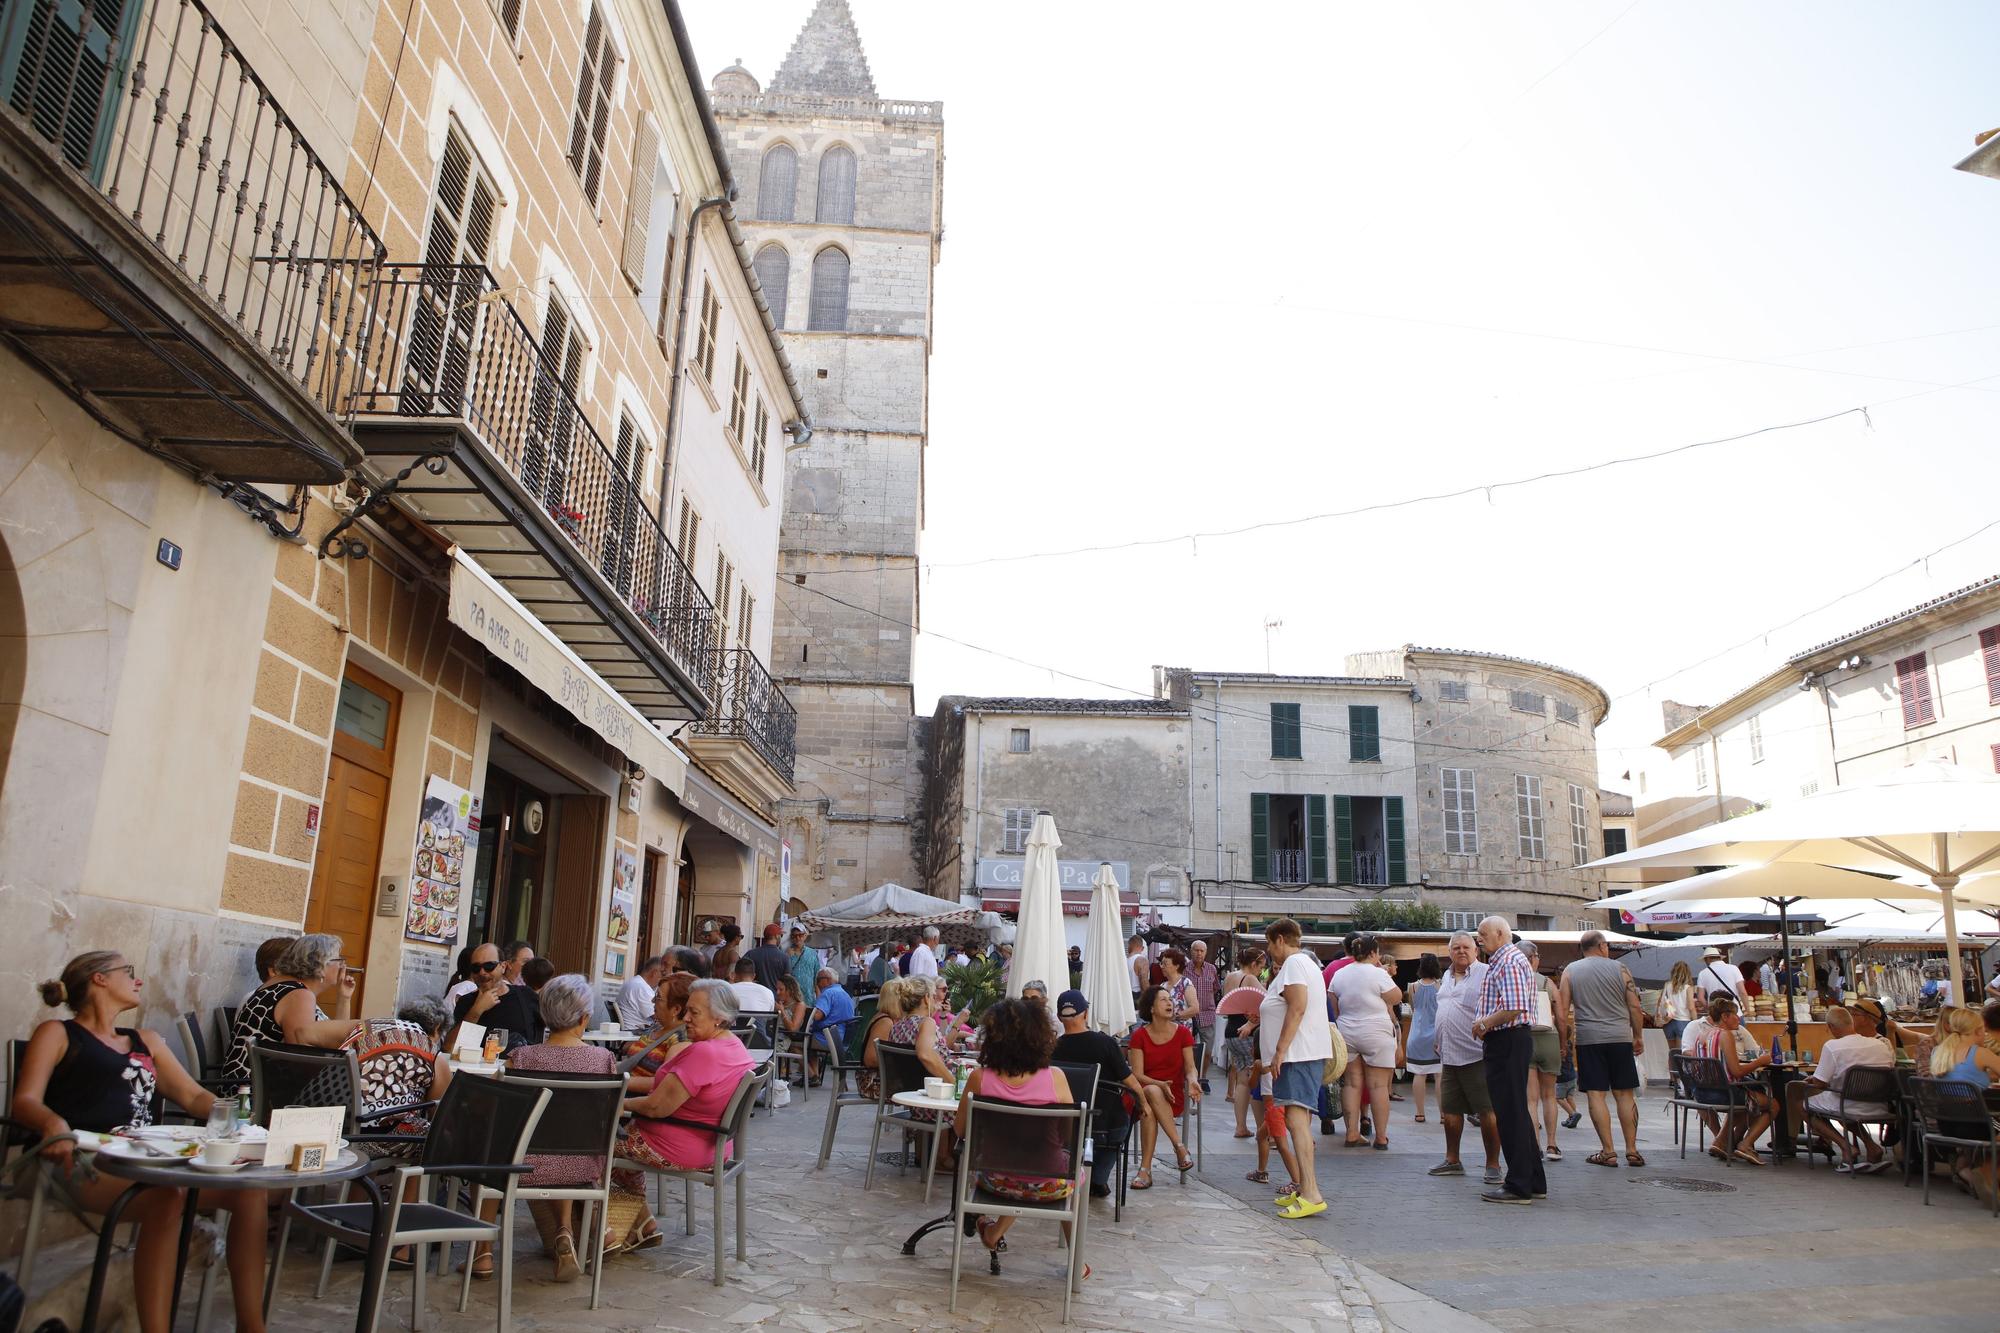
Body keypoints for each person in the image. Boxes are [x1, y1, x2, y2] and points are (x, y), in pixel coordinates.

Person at [14, 953, 273, 1333]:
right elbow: (25, 1101)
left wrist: (236, 1114)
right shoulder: (58, 1034)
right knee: (166, 1198)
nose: (137, 981)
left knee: (249, 1192)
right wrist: (52, 1123)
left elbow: (191, 1096)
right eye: (128, 973)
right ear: (99, 979)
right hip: (83, 1158)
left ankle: (252, 1326)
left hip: (148, 1158)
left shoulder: (145, 1041)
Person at [465, 974, 614, 1281]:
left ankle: (482, 1253)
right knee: (566, 1140)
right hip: (583, 1167)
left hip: (523, 1166)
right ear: (585, 1018)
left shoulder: (522, 1057)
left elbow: (490, 1104)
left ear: (545, 1015)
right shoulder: (603, 1060)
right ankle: (564, 1229)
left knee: (492, 1151)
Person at [609, 979, 755, 1252]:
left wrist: (621, 1106)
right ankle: (642, 1224)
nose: (686, 1018)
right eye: (686, 1010)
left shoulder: (704, 1053)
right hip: (712, 1145)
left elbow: (656, 1107)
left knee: (592, 1146)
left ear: (719, 1018)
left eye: (694, 1013)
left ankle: (598, 1231)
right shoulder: (734, 1047)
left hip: (677, 1146)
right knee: (612, 1142)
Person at [957, 997, 1081, 1259]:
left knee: (1016, 1162)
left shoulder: (979, 1078)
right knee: (1073, 1171)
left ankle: (993, 1231)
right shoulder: (1056, 1078)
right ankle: (1077, 1261)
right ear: (1041, 1036)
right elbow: (1069, 1136)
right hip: (1050, 1184)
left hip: (995, 1181)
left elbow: (960, 1131)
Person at [1258, 917, 1332, 1219]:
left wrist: (1279, 1050)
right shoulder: (1303, 964)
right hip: (1298, 1054)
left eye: (1269, 943)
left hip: (1299, 1054)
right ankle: (1304, 1189)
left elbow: (1297, 1006)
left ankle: (1311, 1192)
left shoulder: (1294, 964)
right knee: (1293, 1120)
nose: (1269, 951)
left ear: (1279, 939)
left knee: (1297, 1121)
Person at [1470, 917, 1544, 1203]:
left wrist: (1484, 1024)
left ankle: (1518, 1184)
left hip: (1508, 1038)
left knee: (1510, 1112)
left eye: (1483, 934)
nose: (1480, 939)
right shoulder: (1504, 959)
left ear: (1501, 933)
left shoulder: (1509, 960)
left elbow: (1514, 1006)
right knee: (1517, 1113)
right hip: (1509, 1039)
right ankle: (1533, 1180)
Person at [222, 932, 360, 1081]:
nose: (343, 966)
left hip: (253, 1086)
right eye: (339, 960)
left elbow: (331, 1039)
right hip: (254, 1095)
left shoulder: (283, 986)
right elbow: (303, 1059)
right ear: (320, 965)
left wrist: (344, 997)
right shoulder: (297, 995)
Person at [1561, 929, 1646, 1169]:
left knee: (1596, 1094)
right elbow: (1635, 1006)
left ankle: (1608, 1151)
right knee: (1624, 1094)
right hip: (1620, 1037)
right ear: (1602, 946)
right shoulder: (1621, 970)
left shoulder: (1570, 971)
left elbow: (1562, 1011)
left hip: (1589, 1040)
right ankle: (1632, 1149)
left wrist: (1563, 1042)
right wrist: (1637, 1036)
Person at [1783, 1006, 1894, 1174]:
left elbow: (1820, 1083)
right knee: (1840, 1103)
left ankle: (1846, 1147)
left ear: (1831, 1027)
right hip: (1878, 1105)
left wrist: (1815, 1080)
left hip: (1846, 1103)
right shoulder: (1880, 1045)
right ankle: (1872, 1147)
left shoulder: (1833, 1046)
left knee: (1802, 1104)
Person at [1052, 990, 1140, 1197]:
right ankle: (1098, 1177)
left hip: (1066, 1127)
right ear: (1086, 1013)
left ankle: (1076, 1173)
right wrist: (1142, 1104)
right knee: (1126, 1121)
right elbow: (1132, 1083)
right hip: (1107, 1126)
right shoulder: (1106, 1043)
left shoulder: (1052, 1048)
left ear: (1058, 1017)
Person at [1432, 932, 1502, 1185]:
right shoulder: (1447, 976)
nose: (1461, 951)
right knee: (1450, 1111)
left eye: (1466, 947)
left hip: (1477, 1054)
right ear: (1449, 951)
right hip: (1449, 1054)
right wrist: (1439, 1036)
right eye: (1456, 948)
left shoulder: (1486, 973)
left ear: (1476, 950)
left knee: (1487, 1111)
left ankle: (1493, 1164)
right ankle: (1452, 1160)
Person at [1329, 932, 1402, 1150]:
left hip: (1347, 1030)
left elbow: (1333, 1004)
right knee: (1378, 1085)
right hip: (1376, 1031)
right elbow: (1396, 997)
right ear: (1373, 953)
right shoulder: (1378, 973)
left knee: (1351, 1083)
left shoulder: (1340, 974)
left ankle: (1351, 1133)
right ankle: (1380, 1137)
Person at [1125, 983, 1198, 1188]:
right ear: (1151, 1008)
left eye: (1170, 999)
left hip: (1172, 1094)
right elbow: (1137, 1075)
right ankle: (1179, 1147)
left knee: (1150, 1102)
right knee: (1150, 1092)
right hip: (1142, 1091)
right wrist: (1158, 1084)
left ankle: (1145, 1171)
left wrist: (1192, 1081)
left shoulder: (1183, 1033)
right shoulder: (1139, 1035)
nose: (1170, 1003)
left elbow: (1190, 1067)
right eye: (1164, 1000)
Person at [1690, 995, 1774, 1164]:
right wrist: (1760, 1062)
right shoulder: (1725, 1035)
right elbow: (1736, 1071)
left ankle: (1723, 1142)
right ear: (1724, 1016)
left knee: (1751, 1099)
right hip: (1724, 1093)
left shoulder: (1701, 1035)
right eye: (1735, 1014)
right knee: (1773, 1105)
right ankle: (1745, 1144)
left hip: (1702, 1092)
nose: (1738, 1018)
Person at [1515, 939, 1569, 1162]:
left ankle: (1534, 1145)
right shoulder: (1547, 982)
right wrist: (1564, 1043)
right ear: (1533, 958)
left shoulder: (1515, 981)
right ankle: (1552, 1145)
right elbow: (1563, 1017)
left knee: (1530, 1099)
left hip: (1525, 1038)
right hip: (1549, 1038)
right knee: (1549, 1095)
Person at [452, 940, 543, 1048]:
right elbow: (451, 1047)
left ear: (503, 966)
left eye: (489, 966)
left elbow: (555, 1029)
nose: (482, 972)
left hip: (518, 1064)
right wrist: (477, 1010)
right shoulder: (467, 1002)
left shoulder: (526, 996)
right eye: (476, 968)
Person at [1223, 946, 1265, 1138]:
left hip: (1231, 1031)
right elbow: (1265, 1002)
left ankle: (1240, 1126)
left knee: (1242, 1080)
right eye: (1261, 966)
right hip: (1247, 1032)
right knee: (1254, 1080)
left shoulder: (1230, 977)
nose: (1261, 971)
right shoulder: (1249, 978)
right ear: (1254, 963)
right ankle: (1260, 1128)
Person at [856, 976, 912, 1102]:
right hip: (873, 1083)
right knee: (920, 1086)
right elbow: (870, 1059)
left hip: (877, 1080)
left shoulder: (885, 1018)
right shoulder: (885, 1022)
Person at [1403, 954, 1442, 1124]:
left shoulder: (1412, 987)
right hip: (1436, 1034)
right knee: (1440, 1075)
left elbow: (1413, 1007)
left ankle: (1419, 1113)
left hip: (1417, 1034)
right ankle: (1443, 1114)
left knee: (1419, 1074)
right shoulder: (1441, 986)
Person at [807, 968, 857, 1080]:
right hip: (842, 1040)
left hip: (827, 1038)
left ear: (828, 980)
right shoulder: (845, 994)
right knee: (809, 1041)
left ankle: (812, 1075)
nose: (817, 983)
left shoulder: (828, 993)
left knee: (796, 1043)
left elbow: (817, 1016)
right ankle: (814, 1076)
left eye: (819, 979)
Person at [1186, 939, 1220, 1081]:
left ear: (1205, 953)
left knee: (1207, 1051)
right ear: (1191, 951)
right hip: (1189, 1015)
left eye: (1202, 951)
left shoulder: (1211, 969)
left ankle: (1203, 1077)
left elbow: (1216, 987)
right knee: (1189, 1050)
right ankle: (1190, 1077)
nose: (1199, 953)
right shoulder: (1184, 969)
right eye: (1196, 950)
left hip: (1207, 1014)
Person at [1655, 961, 1698, 1047]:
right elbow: (1691, 1007)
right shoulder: (1688, 988)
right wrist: (1696, 1022)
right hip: (1683, 1022)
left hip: (1668, 1022)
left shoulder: (1667, 985)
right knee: (1681, 1054)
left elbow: (1661, 1001)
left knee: (1672, 1053)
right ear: (1687, 973)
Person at [618, 955, 667, 1030]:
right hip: (634, 1033)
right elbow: (659, 1017)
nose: (663, 980)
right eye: (663, 975)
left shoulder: (635, 982)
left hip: (633, 1031)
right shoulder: (641, 987)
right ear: (654, 973)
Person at [1695, 946, 1749, 1012]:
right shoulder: (1734, 968)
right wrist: (1747, 1009)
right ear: (1720, 957)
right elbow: (1742, 992)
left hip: (1715, 1013)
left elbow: (1700, 998)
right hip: (1734, 1011)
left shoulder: (1703, 973)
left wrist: (1709, 1009)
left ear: (1707, 959)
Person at [788, 927, 824, 1004]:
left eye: (800, 935)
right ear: (791, 937)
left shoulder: (812, 953)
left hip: (808, 997)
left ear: (805, 936)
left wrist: (818, 997)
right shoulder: (787, 954)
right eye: (794, 936)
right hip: (792, 997)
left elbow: (816, 976)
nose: (797, 938)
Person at [1160, 948, 1195, 1026]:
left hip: (1181, 1031)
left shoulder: (1185, 983)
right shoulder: (1162, 986)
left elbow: (1194, 1009)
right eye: (1161, 963)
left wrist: (1174, 1016)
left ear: (1176, 966)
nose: (1162, 966)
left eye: (1165, 964)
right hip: (1164, 1031)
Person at [1128, 935, 1149, 1007]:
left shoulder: (1124, 960)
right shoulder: (1141, 959)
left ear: (1129, 946)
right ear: (1142, 948)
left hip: (1124, 996)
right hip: (1136, 997)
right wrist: (1148, 1001)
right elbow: (1144, 982)